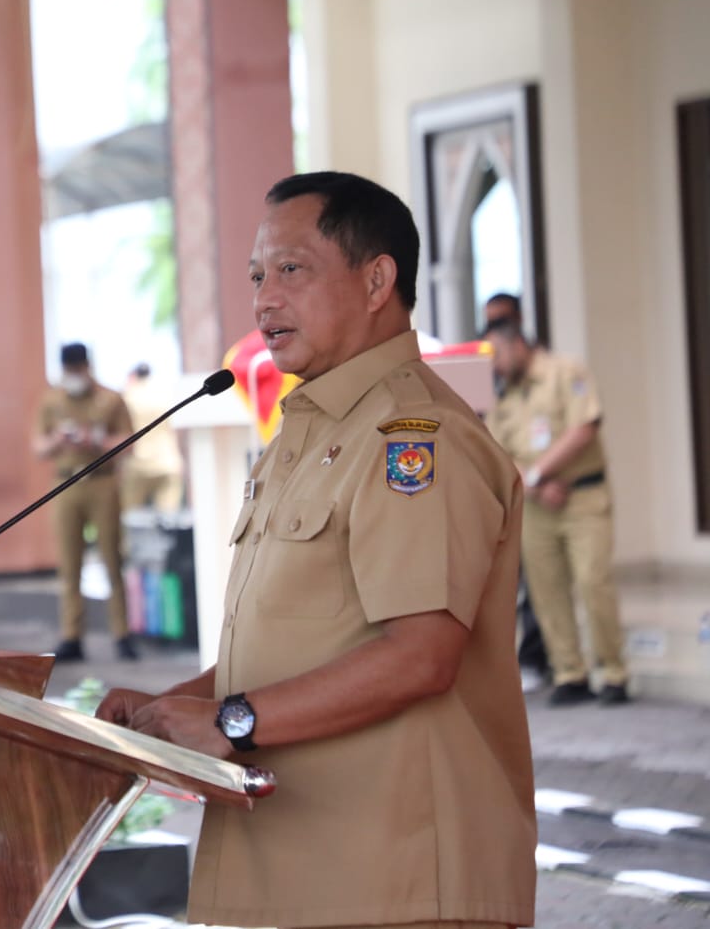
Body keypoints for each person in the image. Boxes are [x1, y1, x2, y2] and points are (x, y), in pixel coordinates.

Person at [96, 172, 535, 929]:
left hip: (393, 877)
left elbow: (419, 654)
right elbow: (301, 644)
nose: (265, 299)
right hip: (303, 867)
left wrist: (231, 720)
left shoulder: (412, 438)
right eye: (257, 276)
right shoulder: (309, 434)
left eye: (291, 270)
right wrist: (181, 708)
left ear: (375, 280)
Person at [484, 312, 629, 706]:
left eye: (496, 354)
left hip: (582, 497)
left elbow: (585, 428)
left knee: (591, 580)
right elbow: (498, 452)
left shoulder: (566, 373)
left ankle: (613, 673)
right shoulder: (505, 397)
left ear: (517, 343)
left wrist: (536, 474)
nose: (494, 366)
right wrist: (535, 484)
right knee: (546, 591)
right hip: (536, 505)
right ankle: (570, 673)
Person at [34, 342, 137, 662]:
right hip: (65, 483)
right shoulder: (51, 401)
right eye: (69, 370)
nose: (74, 375)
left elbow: (129, 444)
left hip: (102, 483)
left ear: (88, 367)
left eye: (78, 369)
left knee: (112, 559)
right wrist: (58, 440)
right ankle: (72, 636)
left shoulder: (110, 399)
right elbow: (38, 447)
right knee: (69, 564)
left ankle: (122, 634)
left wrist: (97, 439)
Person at [481, 293, 551, 689]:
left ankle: (546, 662)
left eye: (502, 321)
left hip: (551, 489)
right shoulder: (494, 381)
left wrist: (539, 476)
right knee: (518, 583)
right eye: (489, 321)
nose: (494, 329)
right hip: (515, 491)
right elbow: (495, 443)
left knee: (547, 588)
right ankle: (531, 661)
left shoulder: (547, 371)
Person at [120, 363, 187, 515]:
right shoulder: (164, 394)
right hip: (167, 461)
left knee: (131, 519)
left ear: (133, 376)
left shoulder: (127, 396)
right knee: (169, 522)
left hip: (136, 464)